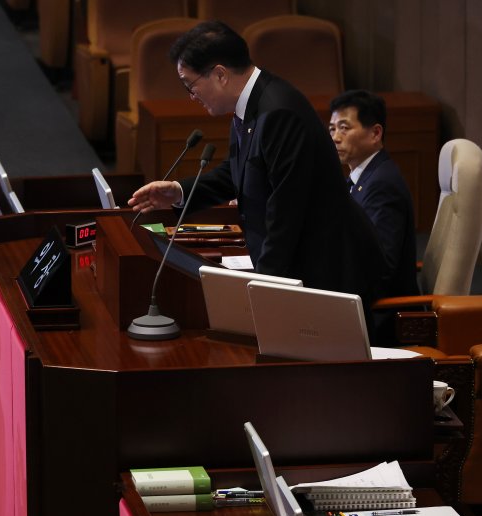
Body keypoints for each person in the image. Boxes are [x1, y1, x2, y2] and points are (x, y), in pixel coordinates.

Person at [128, 21, 385, 310]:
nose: (191, 95)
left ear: (220, 75)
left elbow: (286, 211)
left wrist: (263, 291)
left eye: (190, 85)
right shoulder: (250, 105)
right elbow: (236, 172)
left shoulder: (278, 112)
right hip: (301, 262)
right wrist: (177, 191)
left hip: (326, 271)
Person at [329, 89, 419, 298]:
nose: (335, 137)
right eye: (332, 129)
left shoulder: (382, 185)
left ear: (375, 133)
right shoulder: (361, 178)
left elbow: (381, 267)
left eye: (344, 128)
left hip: (380, 314)